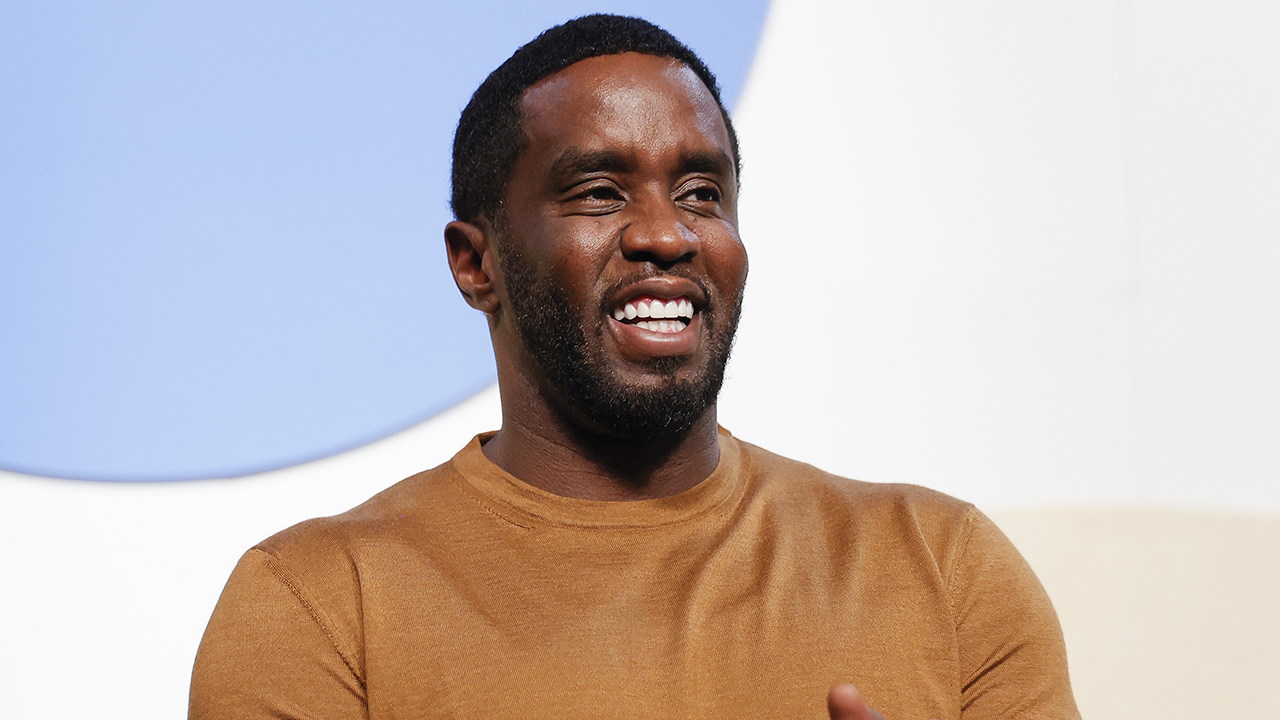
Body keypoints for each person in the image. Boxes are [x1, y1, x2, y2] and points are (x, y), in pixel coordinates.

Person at [190, 14, 1079, 720]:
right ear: (476, 263)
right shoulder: (319, 607)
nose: (667, 233)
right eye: (599, 192)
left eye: (702, 192)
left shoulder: (943, 567)